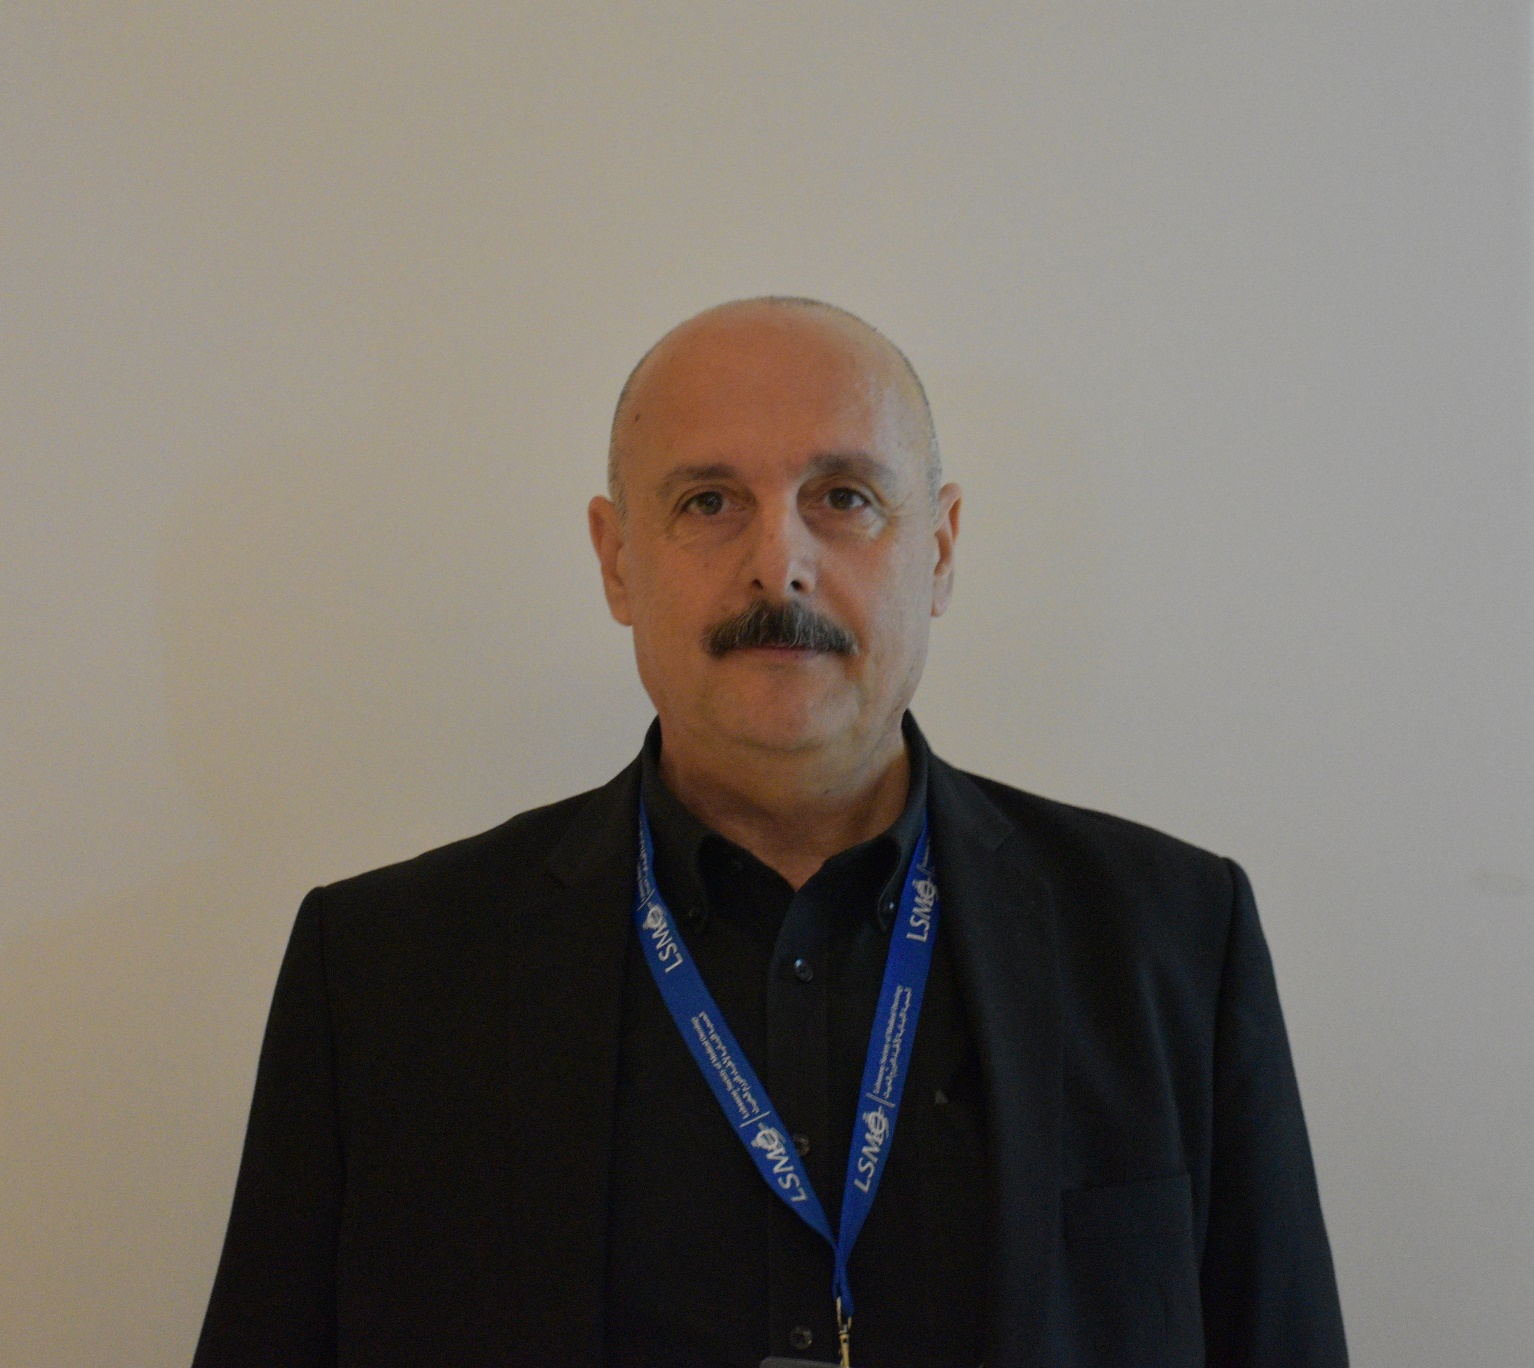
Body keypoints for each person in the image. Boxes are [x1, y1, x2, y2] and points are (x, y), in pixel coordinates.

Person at [192, 298, 1347, 1367]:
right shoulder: (379, 975)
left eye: (844, 497)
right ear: (616, 560)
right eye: (708, 501)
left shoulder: (1172, 941)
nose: (778, 564)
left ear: (940, 550)